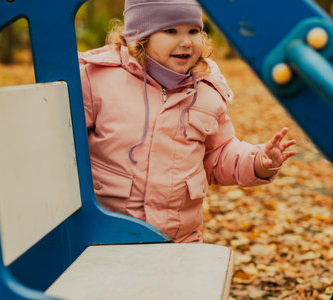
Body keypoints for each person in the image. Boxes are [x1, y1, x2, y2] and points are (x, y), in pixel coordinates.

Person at [78, 0, 296, 243]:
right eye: (171, 31)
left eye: (193, 31)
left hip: (179, 239)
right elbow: (66, 144)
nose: (186, 42)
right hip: (110, 236)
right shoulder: (98, 78)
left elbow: (219, 153)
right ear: (140, 35)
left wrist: (258, 161)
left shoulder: (205, 88)